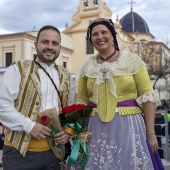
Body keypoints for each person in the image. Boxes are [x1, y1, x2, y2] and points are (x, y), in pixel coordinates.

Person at [67, 18, 163, 169]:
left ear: (112, 35)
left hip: (128, 125)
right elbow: (82, 99)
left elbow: (147, 97)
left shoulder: (132, 61)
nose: (100, 37)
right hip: (95, 127)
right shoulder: (87, 66)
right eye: (94, 34)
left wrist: (151, 133)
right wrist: (74, 128)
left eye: (104, 32)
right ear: (90, 39)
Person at [0, 25, 76, 170]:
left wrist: (68, 132)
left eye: (55, 43)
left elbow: (71, 110)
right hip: (19, 154)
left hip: (55, 155)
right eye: (45, 42)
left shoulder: (66, 76)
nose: (50, 47)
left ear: (60, 47)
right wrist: (29, 126)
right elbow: (2, 104)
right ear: (36, 45)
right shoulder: (18, 69)